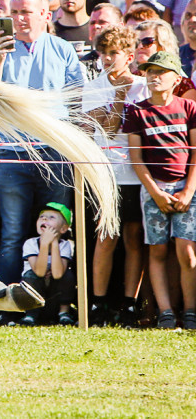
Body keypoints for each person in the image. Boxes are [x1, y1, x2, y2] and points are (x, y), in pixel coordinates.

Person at [0, 0, 83, 294]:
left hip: (54, 153)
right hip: (12, 152)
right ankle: (8, 300)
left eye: (25, 12)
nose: (18, 19)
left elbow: (77, 99)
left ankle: (56, 304)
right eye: (13, 13)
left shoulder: (63, 49)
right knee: (12, 233)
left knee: (56, 230)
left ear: (45, 15)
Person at [122, 51, 196, 330]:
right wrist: (155, 192)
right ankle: (165, 312)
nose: (153, 76)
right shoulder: (136, 111)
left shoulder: (189, 109)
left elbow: (195, 154)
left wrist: (188, 191)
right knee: (157, 250)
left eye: (160, 71)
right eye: (150, 71)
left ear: (176, 78)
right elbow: (136, 159)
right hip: (153, 191)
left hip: (185, 189)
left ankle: (189, 310)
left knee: (187, 251)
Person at [81, 25, 145, 327]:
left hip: (138, 174)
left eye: (114, 53)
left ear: (129, 55)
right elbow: (107, 128)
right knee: (106, 237)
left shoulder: (145, 86)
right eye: (103, 53)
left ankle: (130, 302)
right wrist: (119, 94)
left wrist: (127, 90)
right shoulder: (93, 87)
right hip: (106, 174)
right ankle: (98, 302)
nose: (107, 59)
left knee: (134, 238)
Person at [17, 203, 76, 326]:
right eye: (42, 216)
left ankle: (63, 312)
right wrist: (44, 244)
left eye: (51, 217)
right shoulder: (30, 243)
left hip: (54, 295)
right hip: (36, 295)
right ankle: (30, 315)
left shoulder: (65, 245)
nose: (44, 219)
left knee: (68, 275)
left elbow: (58, 274)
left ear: (63, 229)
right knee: (30, 275)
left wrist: (54, 242)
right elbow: (39, 272)